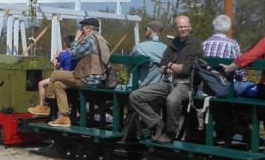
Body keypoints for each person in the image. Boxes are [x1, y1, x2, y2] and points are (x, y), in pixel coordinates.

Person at [128, 15, 204, 144]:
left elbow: (186, 69)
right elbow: (162, 66)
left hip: (187, 84)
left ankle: (170, 132)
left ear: (190, 27)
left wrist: (169, 66)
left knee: (172, 99)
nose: (183, 29)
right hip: (168, 82)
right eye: (180, 27)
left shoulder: (196, 45)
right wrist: (170, 67)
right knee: (135, 96)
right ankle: (158, 123)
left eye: (185, 26)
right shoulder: (173, 43)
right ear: (176, 28)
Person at [46, 17, 111, 127]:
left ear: (89, 28)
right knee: (58, 85)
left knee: (55, 74)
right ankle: (64, 117)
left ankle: (47, 105)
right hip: (98, 79)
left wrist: (76, 39)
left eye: (82, 27)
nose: (81, 30)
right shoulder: (103, 41)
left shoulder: (90, 40)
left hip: (87, 79)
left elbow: (74, 54)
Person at [28, 35, 76, 116]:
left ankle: (43, 105)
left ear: (65, 44)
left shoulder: (64, 55)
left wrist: (54, 59)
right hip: (73, 76)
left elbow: (57, 66)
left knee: (41, 83)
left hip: (63, 77)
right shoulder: (76, 54)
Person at [130, 20, 167, 87]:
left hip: (142, 89)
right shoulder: (166, 49)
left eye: (145, 29)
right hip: (161, 89)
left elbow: (129, 64)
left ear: (149, 30)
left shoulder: (139, 47)